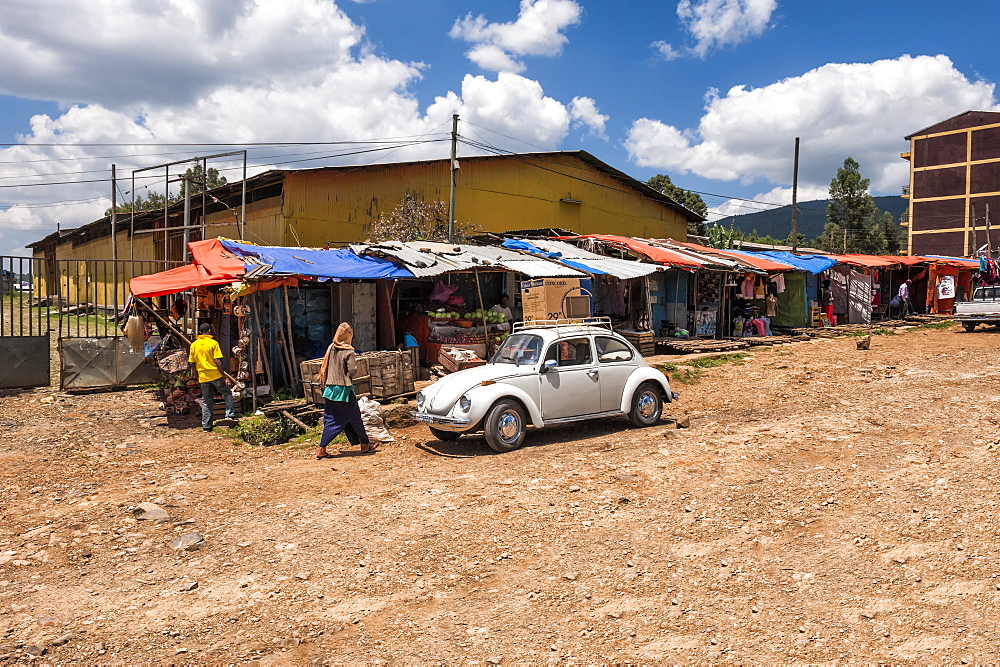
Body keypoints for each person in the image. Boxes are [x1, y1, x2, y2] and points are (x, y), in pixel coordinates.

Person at [316, 323, 372, 458]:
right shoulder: (348, 351)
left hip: (330, 389)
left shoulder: (331, 347)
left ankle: (365, 444)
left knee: (344, 417)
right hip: (343, 391)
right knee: (338, 420)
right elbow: (352, 371)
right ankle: (322, 449)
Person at [188, 322, 236, 432]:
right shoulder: (213, 343)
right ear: (209, 331)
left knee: (206, 400)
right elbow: (217, 361)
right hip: (215, 375)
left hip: (203, 376)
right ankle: (230, 415)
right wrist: (225, 376)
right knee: (227, 393)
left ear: (200, 332)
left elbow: (191, 363)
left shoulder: (194, 345)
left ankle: (206, 426)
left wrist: (196, 377)